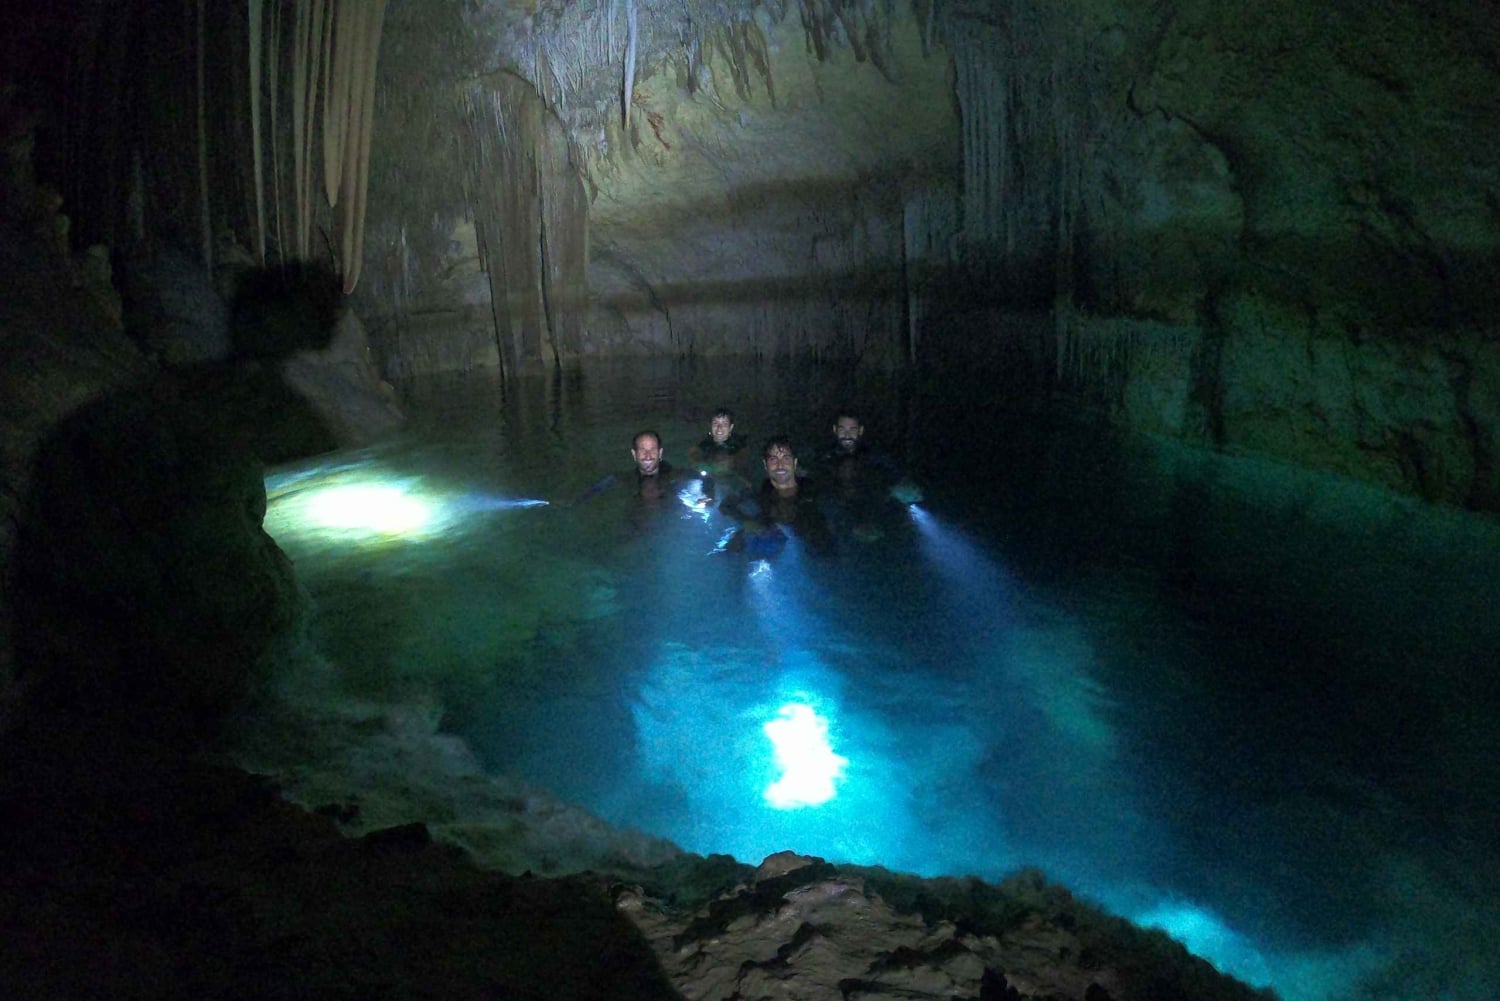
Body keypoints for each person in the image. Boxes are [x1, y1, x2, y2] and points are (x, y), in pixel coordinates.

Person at [721, 436, 833, 556]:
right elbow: (726, 506)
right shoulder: (761, 490)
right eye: (773, 459)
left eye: (786, 458)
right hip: (771, 536)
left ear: (795, 463)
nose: (780, 465)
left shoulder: (811, 491)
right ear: (765, 464)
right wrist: (747, 521)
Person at [822, 410, 924, 505]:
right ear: (835, 430)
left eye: (852, 429)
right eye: (842, 429)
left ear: (860, 430)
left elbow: (898, 475)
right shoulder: (823, 457)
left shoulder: (876, 458)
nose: (847, 434)